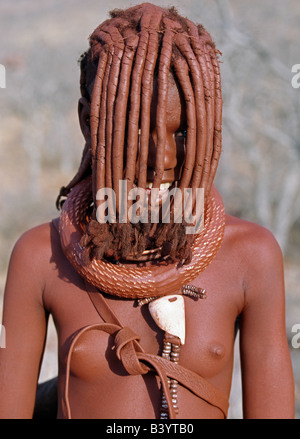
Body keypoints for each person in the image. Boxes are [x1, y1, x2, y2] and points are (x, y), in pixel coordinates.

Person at [0, 3, 295, 419]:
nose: (165, 158)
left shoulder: (252, 256)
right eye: (138, 129)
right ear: (88, 122)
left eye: (185, 131)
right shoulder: (40, 257)